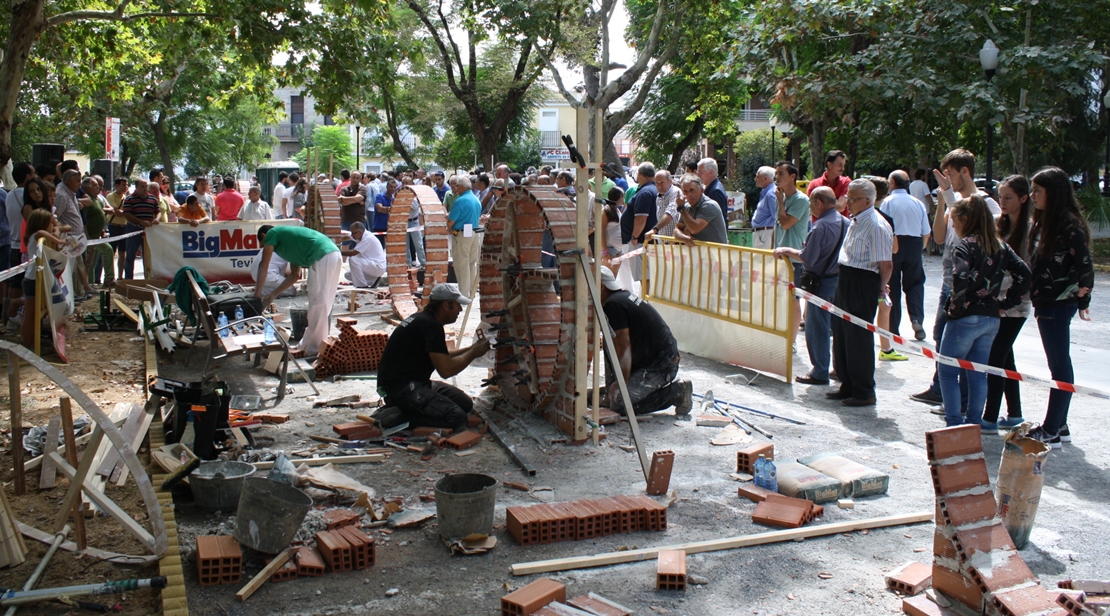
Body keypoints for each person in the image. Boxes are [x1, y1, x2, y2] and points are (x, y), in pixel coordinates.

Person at [911, 149, 1001, 406]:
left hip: (968, 286)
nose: (946, 180)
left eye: (949, 174)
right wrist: (942, 202)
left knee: (960, 343)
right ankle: (941, 388)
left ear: (965, 172)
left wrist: (949, 197)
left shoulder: (984, 203)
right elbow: (939, 238)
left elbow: (979, 233)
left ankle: (958, 399)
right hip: (949, 282)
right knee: (941, 336)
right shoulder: (953, 204)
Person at [938, 194, 1030, 428]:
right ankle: (974, 424)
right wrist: (1005, 304)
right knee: (978, 372)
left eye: (955, 222)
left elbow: (959, 276)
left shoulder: (966, 245)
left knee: (948, 372)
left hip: (966, 318)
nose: (954, 227)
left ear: (966, 220)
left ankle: (954, 424)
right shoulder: (1000, 246)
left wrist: (956, 309)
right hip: (991, 318)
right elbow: (1025, 275)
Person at [1025, 167, 1094, 448]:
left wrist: (1083, 300)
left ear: (1052, 193)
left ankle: (1052, 427)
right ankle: (1060, 424)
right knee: (1059, 362)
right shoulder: (1046, 221)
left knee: (1059, 365)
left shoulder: (1068, 223)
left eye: (1037, 191)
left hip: (1058, 302)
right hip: (1045, 300)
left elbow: (1085, 265)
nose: (1032, 196)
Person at [374, 283, 492, 432]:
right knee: (457, 418)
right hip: (401, 390)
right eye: (457, 305)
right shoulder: (430, 326)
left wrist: (471, 348)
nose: (460, 310)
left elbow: (441, 356)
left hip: (411, 383)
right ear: (446, 305)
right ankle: (398, 418)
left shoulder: (424, 319)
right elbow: (446, 370)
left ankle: (408, 411)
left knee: (465, 404)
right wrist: (473, 353)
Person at [826, 179, 893, 407]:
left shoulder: (877, 225)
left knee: (858, 337)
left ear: (867, 200)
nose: (848, 202)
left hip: (863, 281)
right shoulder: (856, 220)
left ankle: (864, 390)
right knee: (841, 334)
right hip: (846, 276)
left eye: (852, 199)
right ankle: (847, 383)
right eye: (848, 197)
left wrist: (882, 288)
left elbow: (886, 264)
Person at [598, 266, 693, 416]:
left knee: (620, 405)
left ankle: (677, 392)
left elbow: (623, 349)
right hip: (648, 359)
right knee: (609, 342)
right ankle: (615, 390)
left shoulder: (614, 305)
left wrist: (621, 384)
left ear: (601, 287)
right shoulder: (620, 298)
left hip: (662, 364)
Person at [775, 187, 846, 385]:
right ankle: (839, 369)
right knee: (838, 326)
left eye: (811, 203)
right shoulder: (844, 221)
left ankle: (820, 371)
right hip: (839, 279)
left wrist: (786, 249)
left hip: (821, 282)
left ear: (819, 203)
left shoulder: (820, 226)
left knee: (817, 327)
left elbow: (808, 259)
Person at [982, 175, 1034, 433]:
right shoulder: (996, 226)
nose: (1002, 202)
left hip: (1015, 305)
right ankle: (1014, 413)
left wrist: (1010, 301)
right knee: (1005, 359)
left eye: (1008, 197)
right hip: (996, 302)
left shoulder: (1032, 230)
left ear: (1024, 199)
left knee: (996, 358)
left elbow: (1027, 273)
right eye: (1000, 197)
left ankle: (990, 418)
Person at [254, 224, 342, 357]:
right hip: (333, 254)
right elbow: (294, 275)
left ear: (263, 237)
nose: (265, 248)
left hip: (322, 255)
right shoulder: (289, 243)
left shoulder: (272, 233)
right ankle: (309, 344)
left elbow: (264, 265)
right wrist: (273, 294)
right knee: (323, 305)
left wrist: (256, 296)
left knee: (318, 304)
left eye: (263, 244)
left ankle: (315, 348)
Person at [882, 170, 931, 342]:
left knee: (892, 284)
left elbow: (883, 226)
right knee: (915, 284)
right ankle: (917, 320)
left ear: (893, 183)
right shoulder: (918, 203)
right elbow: (926, 231)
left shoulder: (887, 202)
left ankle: (893, 327)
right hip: (915, 243)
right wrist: (920, 249)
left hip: (893, 244)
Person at [774, 161, 810, 346]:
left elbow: (787, 223)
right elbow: (777, 227)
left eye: (781, 173)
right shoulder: (781, 198)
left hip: (793, 258)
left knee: (793, 298)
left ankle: (793, 341)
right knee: (780, 298)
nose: (777, 177)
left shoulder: (801, 200)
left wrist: (780, 203)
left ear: (793, 176)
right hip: (779, 256)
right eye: (776, 173)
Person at [20, 209, 65, 350]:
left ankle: (32, 343)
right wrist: (58, 239)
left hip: (37, 279)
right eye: (49, 224)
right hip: (33, 279)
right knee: (30, 315)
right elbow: (41, 233)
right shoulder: (36, 236)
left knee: (36, 315)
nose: (52, 227)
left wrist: (56, 232)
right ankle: (26, 346)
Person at [619, 163, 658, 282]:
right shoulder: (652, 189)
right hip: (646, 240)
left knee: (644, 276)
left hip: (641, 241)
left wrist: (635, 236)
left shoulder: (645, 193)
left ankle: (645, 300)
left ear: (640, 174)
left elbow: (641, 218)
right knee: (646, 275)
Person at [448, 176, 482, 298]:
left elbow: (451, 221)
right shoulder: (476, 199)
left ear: (461, 187)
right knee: (471, 263)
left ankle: (463, 293)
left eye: (457, 186)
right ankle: (472, 291)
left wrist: (446, 229)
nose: (455, 188)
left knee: (461, 263)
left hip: (462, 234)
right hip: (474, 233)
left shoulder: (460, 201)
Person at [121, 179, 161, 279]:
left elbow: (158, 211)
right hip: (133, 229)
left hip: (149, 230)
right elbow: (127, 214)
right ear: (137, 188)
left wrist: (157, 219)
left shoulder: (153, 198)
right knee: (131, 255)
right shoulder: (130, 199)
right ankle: (129, 279)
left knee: (148, 256)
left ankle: (148, 277)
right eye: (142, 186)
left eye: (146, 186)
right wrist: (140, 222)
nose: (144, 189)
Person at [673, 174, 727, 246]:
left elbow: (694, 229)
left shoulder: (709, 205)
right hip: (701, 254)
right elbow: (677, 229)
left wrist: (681, 208)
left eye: (692, 190)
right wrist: (685, 238)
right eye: (685, 191)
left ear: (701, 190)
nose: (689, 195)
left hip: (717, 254)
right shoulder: (686, 207)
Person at [80, 177, 112, 289]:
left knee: (90, 261)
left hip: (97, 235)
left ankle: (89, 283)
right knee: (88, 261)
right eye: (95, 185)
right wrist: (87, 236)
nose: (98, 187)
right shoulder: (88, 201)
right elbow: (84, 219)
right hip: (89, 237)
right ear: (87, 188)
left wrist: (101, 230)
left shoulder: (97, 199)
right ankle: (86, 284)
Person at [341, 222, 386, 288]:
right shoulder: (360, 235)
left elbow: (354, 252)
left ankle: (362, 286)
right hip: (371, 265)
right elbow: (348, 237)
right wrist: (337, 239)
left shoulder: (367, 238)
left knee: (353, 259)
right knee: (348, 275)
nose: (352, 235)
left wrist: (339, 252)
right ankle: (373, 280)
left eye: (353, 233)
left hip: (377, 266)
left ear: (359, 232)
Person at [751, 166, 776, 249]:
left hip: (766, 234)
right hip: (763, 234)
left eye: (758, 177)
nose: (755, 179)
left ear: (765, 178)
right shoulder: (766, 192)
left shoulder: (771, 194)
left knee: (763, 261)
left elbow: (776, 216)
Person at [651, 170, 679, 239]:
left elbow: (670, 213)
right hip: (663, 240)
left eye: (662, 183)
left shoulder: (675, 192)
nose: (659, 186)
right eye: (657, 183)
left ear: (670, 181)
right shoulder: (659, 195)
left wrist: (654, 230)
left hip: (674, 241)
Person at [373, 179, 397, 247]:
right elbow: (379, 209)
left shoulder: (394, 199)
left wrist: (387, 209)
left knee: (391, 247)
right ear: (387, 187)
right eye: (391, 187)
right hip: (379, 226)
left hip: (389, 227)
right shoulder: (379, 196)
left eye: (394, 187)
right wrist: (392, 210)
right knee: (378, 247)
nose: (393, 189)